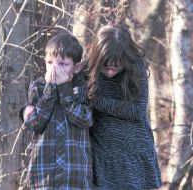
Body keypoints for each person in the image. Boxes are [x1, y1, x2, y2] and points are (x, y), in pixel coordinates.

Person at [87, 24, 162, 189]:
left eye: (116, 67)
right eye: (105, 67)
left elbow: (137, 109)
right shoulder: (88, 70)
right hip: (104, 154)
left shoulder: (136, 68)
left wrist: (96, 100)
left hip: (134, 154)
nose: (110, 72)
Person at [21, 33, 93, 189]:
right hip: (44, 176)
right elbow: (35, 124)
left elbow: (84, 119)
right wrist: (51, 92)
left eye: (63, 64)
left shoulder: (81, 89)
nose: (55, 68)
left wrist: (64, 89)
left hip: (74, 176)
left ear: (77, 66)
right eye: (50, 62)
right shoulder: (38, 88)